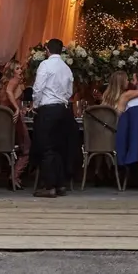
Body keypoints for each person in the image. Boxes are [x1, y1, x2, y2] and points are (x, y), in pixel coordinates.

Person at [31, 38, 77, 198]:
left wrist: (35, 104)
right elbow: (69, 92)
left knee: (47, 148)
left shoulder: (45, 65)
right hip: (63, 110)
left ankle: (49, 186)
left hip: (48, 109)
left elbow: (38, 88)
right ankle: (60, 185)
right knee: (59, 147)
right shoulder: (66, 68)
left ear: (47, 50)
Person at [0, 60, 31, 188]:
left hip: (3, 123)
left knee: (0, 149)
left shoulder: (1, 86)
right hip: (15, 120)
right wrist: (17, 109)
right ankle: (14, 176)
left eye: (20, 68)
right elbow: (9, 91)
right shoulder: (14, 81)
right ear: (12, 71)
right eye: (17, 68)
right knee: (27, 148)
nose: (20, 71)